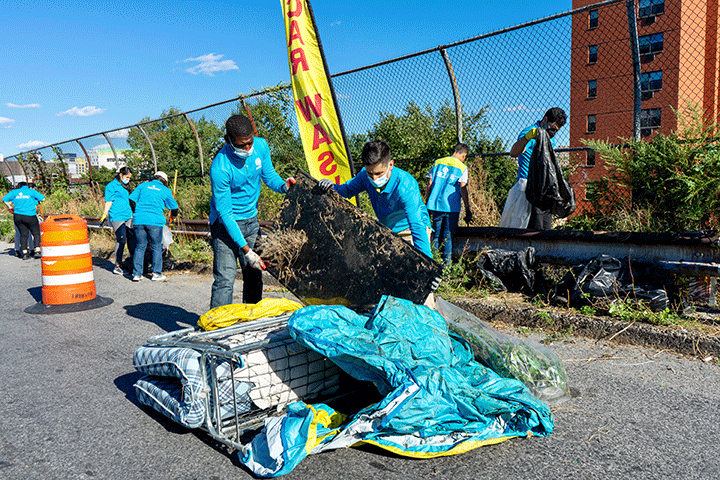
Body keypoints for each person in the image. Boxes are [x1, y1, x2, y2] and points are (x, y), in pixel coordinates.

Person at [318, 139, 441, 305]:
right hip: (388, 230)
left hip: (410, 230)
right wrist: (331, 187)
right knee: (390, 280)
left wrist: (428, 268)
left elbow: (417, 227)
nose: (374, 178)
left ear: (390, 164)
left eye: (379, 174)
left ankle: (428, 319)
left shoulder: (405, 185)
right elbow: (346, 191)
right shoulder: (365, 176)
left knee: (417, 280)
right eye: (371, 174)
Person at [209, 114, 296, 308]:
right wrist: (246, 250)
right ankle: (216, 330)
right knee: (225, 279)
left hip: (251, 221)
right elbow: (226, 215)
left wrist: (284, 186)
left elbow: (269, 175)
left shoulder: (261, 146)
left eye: (250, 143)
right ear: (228, 141)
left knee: (254, 275)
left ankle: (251, 323)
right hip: (225, 226)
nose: (248, 148)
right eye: (242, 145)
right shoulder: (220, 167)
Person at [499, 107, 567, 230]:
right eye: (553, 128)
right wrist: (528, 138)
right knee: (533, 227)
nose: (554, 132)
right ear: (545, 119)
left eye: (557, 131)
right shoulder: (530, 132)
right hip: (529, 186)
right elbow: (514, 152)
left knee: (546, 228)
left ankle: (542, 249)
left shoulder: (550, 138)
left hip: (545, 188)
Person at [424, 143, 472, 264]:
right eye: (464, 157)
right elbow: (463, 188)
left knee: (435, 235)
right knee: (448, 237)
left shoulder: (438, 162)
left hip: (435, 205)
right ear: (463, 155)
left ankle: (432, 262)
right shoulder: (462, 167)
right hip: (452, 207)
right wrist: (467, 208)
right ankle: (446, 267)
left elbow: (429, 184)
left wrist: (427, 202)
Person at [129, 171, 178, 282]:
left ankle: (137, 274)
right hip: (155, 222)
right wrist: (173, 217)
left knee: (140, 246)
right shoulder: (165, 190)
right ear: (164, 181)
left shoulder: (143, 185)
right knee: (156, 247)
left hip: (139, 220)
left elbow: (131, 200)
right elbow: (174, 209)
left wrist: (135, 212)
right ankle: (156, 274)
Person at [101, 166, 135, 275]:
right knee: (121, 239)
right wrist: (104, 215)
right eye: (127, 177)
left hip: (128, 215)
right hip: (117, 216)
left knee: (131, 239)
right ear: (120, 175)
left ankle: (133, 262)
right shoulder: (111, 186)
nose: (128, 179)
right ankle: (117, 265)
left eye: (129, 178)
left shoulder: (125, 185)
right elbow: (109, 201)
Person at [3, 181, 44, 260]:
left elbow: (5, 199)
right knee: (36, 233)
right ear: (27, 186)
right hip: (30, 215)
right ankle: (37, 251)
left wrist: (10, 207)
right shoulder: (31, 191)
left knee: (23, 234)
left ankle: (25, 253)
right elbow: (43, 198)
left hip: (18, 216)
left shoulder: (14, 192)